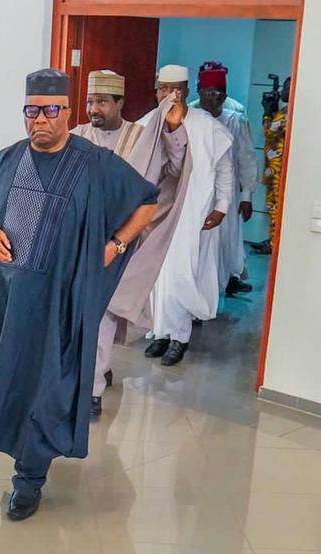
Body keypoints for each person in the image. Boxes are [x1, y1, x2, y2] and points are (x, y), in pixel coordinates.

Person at [0, 68, 158, 522]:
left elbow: (147, 200)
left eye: (49, 110)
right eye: (32, 111)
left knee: (47, 391)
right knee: (13, 385)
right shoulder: (3, 163)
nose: (39, 120)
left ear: (67, 112)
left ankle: (28, 480)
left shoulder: (95, 164)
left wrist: (116, 244)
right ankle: (26, 464)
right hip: (8, 305)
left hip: (61, 306)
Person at [73, 70, 189, 416]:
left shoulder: (142, 139)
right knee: (81, 314)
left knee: (104, 312)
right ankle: (96, 370)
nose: (94, 109)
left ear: (120, 103)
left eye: (102, 102)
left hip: (123, 242)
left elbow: (176, 170)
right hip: (81, 240)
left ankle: (92, 391)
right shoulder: (77, 136)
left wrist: (173, 129)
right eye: (90, 101)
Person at [142, 64, 234, 367]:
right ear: (156, 92)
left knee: (181, 275)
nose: (170, 95)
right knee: (156, 276)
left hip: (192, 214)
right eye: (163, 89)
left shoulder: (207, 126)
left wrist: (221, 206)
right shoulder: (146, 124)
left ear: (186, 91)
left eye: (176, 89)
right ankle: (159, 333)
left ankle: (179, 338)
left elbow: (224, 169)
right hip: (155, 216)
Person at [194, 61, 257, 297]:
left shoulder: (235, 121)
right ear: (198, 91)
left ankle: (223, 285)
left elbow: (247, 158)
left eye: (218, 92)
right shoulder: (188, 115)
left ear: (225, 94)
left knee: (225, 242)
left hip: (226, 196)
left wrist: (247, 195)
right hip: (195, 194)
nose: (213, 97)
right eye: (208, 92)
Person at [259, 76, 291, 255]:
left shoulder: (289, 113)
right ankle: (273, 240)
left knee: (277, 207)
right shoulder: (285, 111)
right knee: (273, 206)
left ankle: (275, 243)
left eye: (286, 88)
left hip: (280, 170)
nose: (282, 91)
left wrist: (267, 113)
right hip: (273, 168)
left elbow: (270, 133)